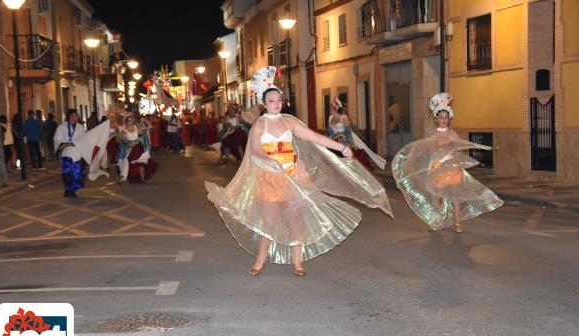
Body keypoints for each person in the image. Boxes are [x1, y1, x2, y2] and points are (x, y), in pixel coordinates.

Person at [205, 66, 392, 277]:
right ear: (264, 104)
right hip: (270, 179)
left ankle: (298, 262)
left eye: (278, 100)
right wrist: (271, 161)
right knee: (269, 222)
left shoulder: (289, 121)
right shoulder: (260, 126)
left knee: (296, 220)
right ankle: (259, 260)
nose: (276, 104)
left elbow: (314, 137)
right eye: (271, 101)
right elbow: (255, 152)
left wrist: (341, 147)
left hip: (294, 176)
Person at [392, 92, 503, 232]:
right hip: (438, 170)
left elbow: (459, 149)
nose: (444, 120)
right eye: (441, 117)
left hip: (452, 170)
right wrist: (431, 165)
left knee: (455, 197)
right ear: (437, 119)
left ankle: (457, 224)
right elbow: (430, 152)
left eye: (446, 117)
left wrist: (456, 154)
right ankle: (436, 220)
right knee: (437, 197)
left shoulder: (453, 134)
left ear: (449, 118)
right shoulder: (433, 135)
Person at [53, 109, 87, 197]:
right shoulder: (61, 127)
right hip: (67, 152)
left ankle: (73, 189)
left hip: (77, 153)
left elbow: (84, 138)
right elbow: (56, 139)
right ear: (70, 116)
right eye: (75, 115)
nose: (77, 116)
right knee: (67, 173)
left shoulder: (80, 127)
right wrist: (65, 144)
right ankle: (68, 190)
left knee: (77, 173)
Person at [117, 115, 158, 184]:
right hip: (129, 149)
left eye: (131, 119)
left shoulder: (137, 128)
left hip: (138, 148)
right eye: (129, 120)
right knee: (126, 163)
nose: (130, 121)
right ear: (126, 122)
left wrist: (149, 124)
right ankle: (122, 179)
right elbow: (124, 140)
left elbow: (145, 133)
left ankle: (142, 179)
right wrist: (129, 144)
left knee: (141, 163)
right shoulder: (124, 131)